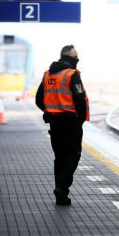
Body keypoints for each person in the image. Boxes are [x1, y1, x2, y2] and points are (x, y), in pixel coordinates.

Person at [35, 45, 89, 206]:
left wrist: (50, 111)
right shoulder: (72, 74)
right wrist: (80, 118)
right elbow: (79, 98)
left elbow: (39, 99)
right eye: (76, 57)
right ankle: (62, 187)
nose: (77, 60)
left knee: (60, 158)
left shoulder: (48, 75)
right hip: (71, 122)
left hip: (55, 123)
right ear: (70, 59)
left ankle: (61, 194)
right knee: (73, 154)